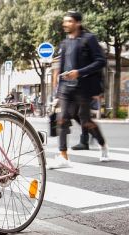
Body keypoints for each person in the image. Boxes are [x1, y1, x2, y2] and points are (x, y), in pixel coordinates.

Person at [50, 11, 109, 169]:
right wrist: (57, 94)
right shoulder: (64, 43)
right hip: (66, 90)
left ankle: (103, 145)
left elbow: (101, 61)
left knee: (85, 121)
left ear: (77, 23)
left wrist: (79, 72)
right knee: (61, 119)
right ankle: (64, 157)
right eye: (65, 21)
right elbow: (62, 68)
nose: (65, 24)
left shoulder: (88, 39)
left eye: (69, 21)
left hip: (83, 88)